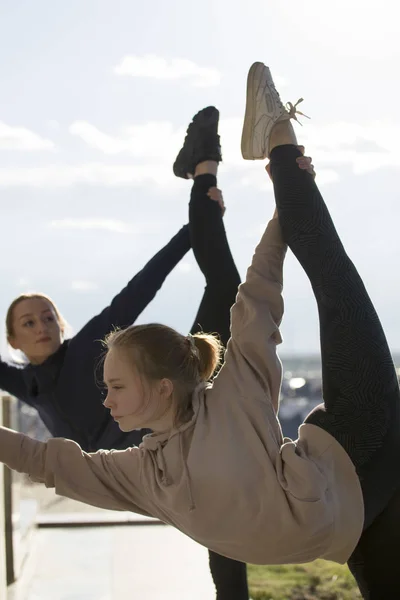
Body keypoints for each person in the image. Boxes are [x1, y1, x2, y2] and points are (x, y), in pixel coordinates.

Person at [1, 62, 396, 599]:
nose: (106, 396)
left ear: (160, 385)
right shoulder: (137, 470)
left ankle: (268, 149)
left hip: (338, 458)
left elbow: (250, 298)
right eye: (28, 321)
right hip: (354, 519)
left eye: (114, 385)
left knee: (278, 278)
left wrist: (265, 215)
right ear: (14, 340)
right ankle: (217, 168)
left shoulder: (226, 399)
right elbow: (42, 460)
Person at [0, 107, 249, 600]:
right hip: (122, 475)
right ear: (13, 341)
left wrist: (193, 231)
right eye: (28, 322)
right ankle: (200, 170)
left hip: (171, 420)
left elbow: (143, 286)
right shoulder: (23, 381)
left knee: (226, 287)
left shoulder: (91, 342)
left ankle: (204, 168)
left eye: (48, 315)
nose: (42, 325)